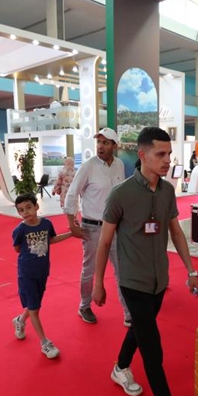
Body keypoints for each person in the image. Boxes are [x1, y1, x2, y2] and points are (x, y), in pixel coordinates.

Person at [93, 126, 198, 396]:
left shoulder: (168, 191)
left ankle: (121, 368)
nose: (168, 160)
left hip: (159, 282)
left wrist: (192, 270)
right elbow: (105, 241)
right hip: (133, 282)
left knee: (140, 331)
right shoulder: (121, 195)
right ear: (142, 155)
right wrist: (98, 282)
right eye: (161, 154)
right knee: (153, 351)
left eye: (169, 154)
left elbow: (176, 233)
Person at [63, 128, 132, 326]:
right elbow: (72, 193)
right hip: (92, 228)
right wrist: (71, 223)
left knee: (122, 269)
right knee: (89, 270)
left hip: (115, 227)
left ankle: (128, 312)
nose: (100, 146)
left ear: (114, 145)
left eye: (105, 143)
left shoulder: (119, 165)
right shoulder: (88, 166)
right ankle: (84, 305)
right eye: (99, 142)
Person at [11, 193, 76, 359]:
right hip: (26, 273)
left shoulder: (46, 224)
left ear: (36, 206)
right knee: (34, 309)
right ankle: (45, 343)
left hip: (43, 271)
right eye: (21, 210)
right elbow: (17, 248)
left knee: (35, 306)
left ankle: (19, 320)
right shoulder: (20, 230)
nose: (26, 212)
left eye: (28, 208)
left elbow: (51, 240)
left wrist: (71, 234)